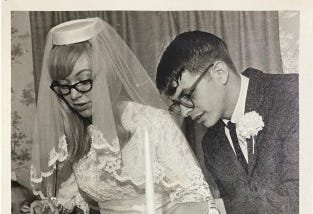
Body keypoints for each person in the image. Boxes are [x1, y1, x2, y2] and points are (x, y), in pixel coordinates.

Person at [29, 18, 220, 214]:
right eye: (64, 85)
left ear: (107, 76)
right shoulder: (72, 134)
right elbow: (74, 199)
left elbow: (196, 196)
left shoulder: (152, 122)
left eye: (84, 81)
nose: (74, 95)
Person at [156, 31, 298, 214]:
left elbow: (299, 197)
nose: (184, 112)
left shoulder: (295, 94)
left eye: (187, 95)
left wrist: (212, 208)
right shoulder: (211, 145)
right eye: (176, 104)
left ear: (219, 73)